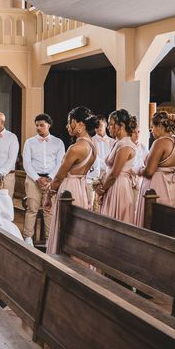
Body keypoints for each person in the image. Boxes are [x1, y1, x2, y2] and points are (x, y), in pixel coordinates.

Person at [45, 107, 98, 254]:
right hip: (81, 188)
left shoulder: (76, 148)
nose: (68, 126)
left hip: (69, 189)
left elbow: (59, 176)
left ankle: (62, 260)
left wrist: (49, 195)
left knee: (65, 226)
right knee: (76, 227)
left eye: (70, 122)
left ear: (80, 125)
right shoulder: (93, 146)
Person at [21, 113, 64, 246]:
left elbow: (60, 163)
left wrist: (50, 177)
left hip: (51, 179)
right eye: (37, 125)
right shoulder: (29, 142)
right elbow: (26, 163)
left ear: (48, 125)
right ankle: (28, 238)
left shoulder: (58, 142)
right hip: (33, 179)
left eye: (42, 125)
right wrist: (37, 178)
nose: (39, 128)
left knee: (49, 210)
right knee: (32, 209)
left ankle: (49, 239)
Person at [134, 112, 175, 227]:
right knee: (170, 224)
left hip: (157, 187)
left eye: (152, 127)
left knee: (155, 222)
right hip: (173, 186)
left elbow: (149, 172)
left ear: (160, 127)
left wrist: (140, 170)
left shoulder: (160, 142)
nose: (151, 131)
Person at [96, 110, 137, 223]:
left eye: (111, 124)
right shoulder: (118, 143)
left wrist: (102, 190)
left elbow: (114, 173)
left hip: (119, 186)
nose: (109, 127)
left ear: (122, 126)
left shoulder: (125, 145)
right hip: (112, 185)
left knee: (117, 221)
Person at [88, 114, 115, 211]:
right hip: (95, 176)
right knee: (93, 205)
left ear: (105, 124)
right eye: (96, 126)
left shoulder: (113, 142)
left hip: (109, 176)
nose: (98, 127)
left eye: (100, 125)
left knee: (108, 204)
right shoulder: (91, 141)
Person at [130, 126, 149, 206]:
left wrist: (142, 170)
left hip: (138, 180)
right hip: (127, 177)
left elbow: (147, 163)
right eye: (134, 132)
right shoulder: (126, 146)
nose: (137, 135)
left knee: (135, 204)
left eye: (138, 132)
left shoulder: (143, 147)